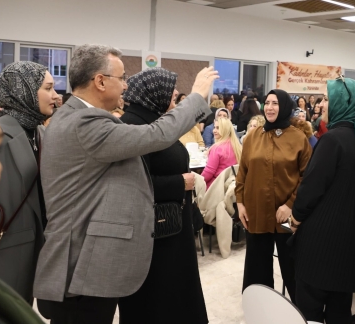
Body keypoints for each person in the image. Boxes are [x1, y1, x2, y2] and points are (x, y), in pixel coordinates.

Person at [33, 45, 217, 324]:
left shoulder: (76, 116)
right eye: (121, 78)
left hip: (84, 260)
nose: (125, 86)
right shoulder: (85, 122)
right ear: (100, 81)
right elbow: (157, 134)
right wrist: (197, 96)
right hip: (81, 265)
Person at [118, 68, 208, 324]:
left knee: (174, 295)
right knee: (159, 300)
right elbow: (133, 182)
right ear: (154, 93)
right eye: (171, 91)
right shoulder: (134, 126)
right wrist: (179, 183)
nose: (175, 95)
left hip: (170, 227)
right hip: (155, 234)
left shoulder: (154, 120)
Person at [290, 77, 355, 324]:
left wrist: (295, 219)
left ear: (344, 103)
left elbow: (311, 189)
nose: (321, 104)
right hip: (352, 247)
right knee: (340, 313)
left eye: (328, 99)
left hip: (322, 248)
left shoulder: (333, 139)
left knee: (309, 313)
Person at [0, 62, 60, 302]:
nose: (55, 95)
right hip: (3, 252)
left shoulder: (39, 132)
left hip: (33, 251)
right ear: (24, 91)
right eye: (48, 88)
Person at [235, 89, 312, 300]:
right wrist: (240, 203)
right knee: (257, 265)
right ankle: (259, 307)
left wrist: (290, 205)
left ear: (285, 106)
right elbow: (243, 173)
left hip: (287, 217)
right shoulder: (252, 137)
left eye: (275, 103)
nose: (269, 107)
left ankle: (301, 310)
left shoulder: (298, 139)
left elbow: (307, 178)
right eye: (267, 103)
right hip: (257, 212)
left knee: (292, 265)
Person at [201, 117, 241, 189]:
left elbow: (208, 173)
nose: (214, 131)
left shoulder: (217, 148)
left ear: (225, 129)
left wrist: (197, 182)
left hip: (216, 187)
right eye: (214, 127)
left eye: (218, 128)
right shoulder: (237, 146)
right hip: (233, 185)